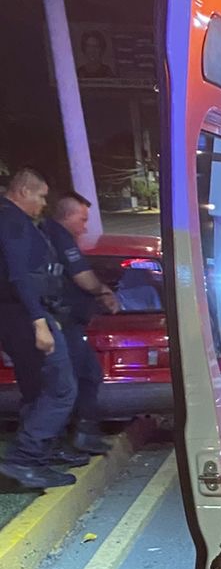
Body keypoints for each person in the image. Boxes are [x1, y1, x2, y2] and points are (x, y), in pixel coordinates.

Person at [0, 169, 83, 491]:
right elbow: (19, 275)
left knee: (37, 389)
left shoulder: (13, 220)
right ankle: (24, 458)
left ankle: (36, 458)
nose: (44, 203)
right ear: (23, 191)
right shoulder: (13, 222)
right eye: (41, 196)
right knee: (62, 389)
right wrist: (39, 320)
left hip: (20, 314)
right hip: (24, 315)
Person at [41, 192, 118, 455]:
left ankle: (78, 436)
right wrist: (104, 291)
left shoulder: (48, 235)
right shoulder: (60, 237)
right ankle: (71, 439)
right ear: (67, 215)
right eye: (82, 219)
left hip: (64, 322)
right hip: (64, 323)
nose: (84, 226)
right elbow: (82, 277)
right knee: (80, 378)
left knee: (81, 377)